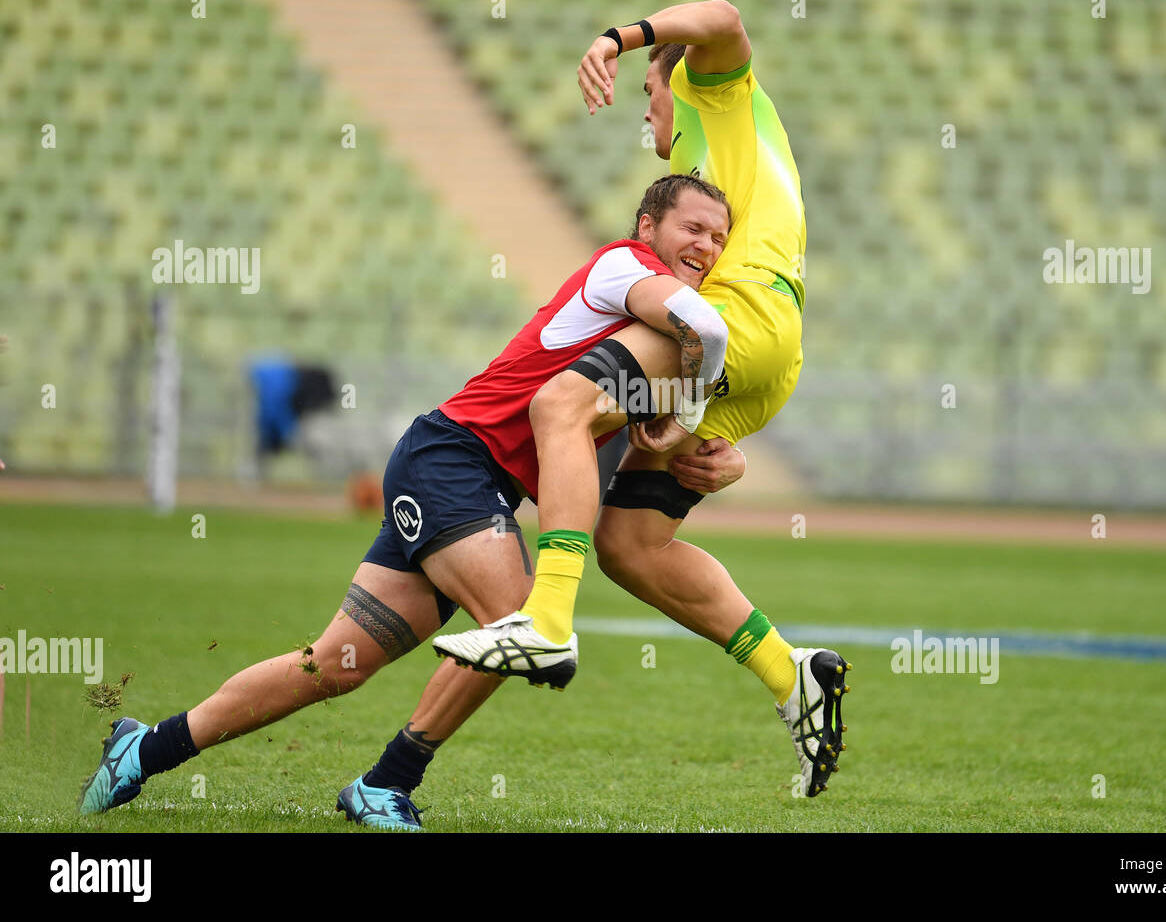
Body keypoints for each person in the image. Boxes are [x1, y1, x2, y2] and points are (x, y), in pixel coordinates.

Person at [77, 176, 737, 830]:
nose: (707, 246)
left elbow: (610, 462)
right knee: (519, 623)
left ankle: (145, 746)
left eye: (719, 237)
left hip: (470, 484)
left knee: (333, 666)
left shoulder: (657, 342)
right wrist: (695, 401)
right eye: (693, 227)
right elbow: (705, 326)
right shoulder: (626, 267)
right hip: (451, 464)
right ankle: (386, 783)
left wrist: (709, 460)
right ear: (647, 226)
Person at [434, 0, 852, 800]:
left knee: (560, 405)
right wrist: (697, 426)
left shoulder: (709, 92)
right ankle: (790, 673)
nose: (649, 111)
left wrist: (618, 38)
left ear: (673, 79)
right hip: (768, 350)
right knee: (631, 544)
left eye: (648, 96)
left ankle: (548, 620)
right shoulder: (709, 185)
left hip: (738, 319)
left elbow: (723, 15)